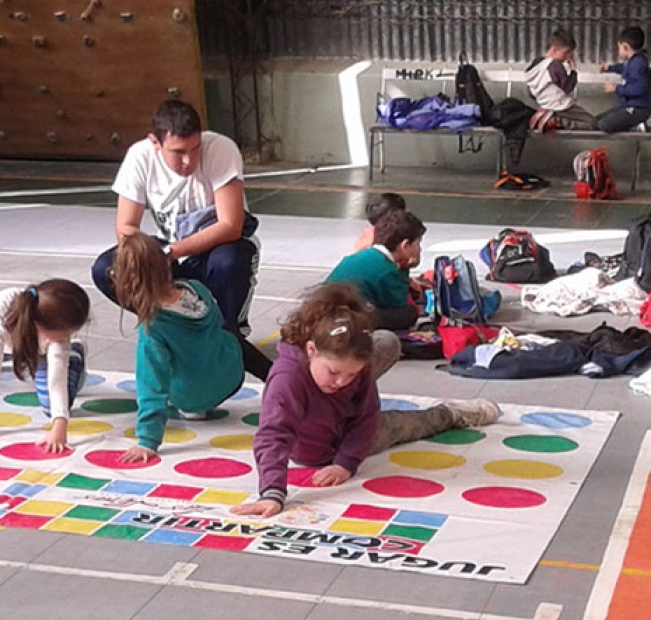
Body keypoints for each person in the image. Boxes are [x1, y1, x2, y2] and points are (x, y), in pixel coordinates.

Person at [230, 284, 501, 518]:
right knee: (400, 423)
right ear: (310, 350)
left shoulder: (352, 371)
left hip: (349, 432)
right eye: (334, 372)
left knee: (389, 361)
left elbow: (367, 415)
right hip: (319, 447)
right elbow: (273, 435)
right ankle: (449, 414)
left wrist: (346, 461)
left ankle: (449, 414)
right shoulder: (287, 379)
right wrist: (272, 492)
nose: (341, 381)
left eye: (351, 374)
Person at [91, 99, 260, 335]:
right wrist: (149, 257)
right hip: (169, 247)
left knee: (228, 261)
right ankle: (169, 322)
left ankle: (228, 331)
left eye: (195, 148)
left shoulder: (221, 148)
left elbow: (230, 225)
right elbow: (126, 226)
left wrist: (172, 252)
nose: (188, 161)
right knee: (106, 268)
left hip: (216, 247)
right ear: (155, 143)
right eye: (178, 152)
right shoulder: (139, 156)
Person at [112, 232, 271, 464]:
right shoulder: (198, 290)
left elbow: (151, 387)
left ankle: (194, 407)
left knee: (152, 370)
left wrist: (147, 440)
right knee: (232, 337)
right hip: (230, 376)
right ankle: (280, 380)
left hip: (192, 398)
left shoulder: (153, 329)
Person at [0, 279, 90, 453]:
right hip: (11, 344)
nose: (66, 337)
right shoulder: (3, 307)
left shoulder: (56, 336)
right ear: (39, 326)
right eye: (66, 334)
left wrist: (59, 424)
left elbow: (57, 376)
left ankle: (75, 356)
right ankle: (26, 357)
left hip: (39, 351)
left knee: (50, 408)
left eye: (70, 334)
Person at [327, 209, 426, 331]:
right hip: (345, 323)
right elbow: (398, 305)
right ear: (405, 246)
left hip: (327, 315)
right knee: (408, 315)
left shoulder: (363, 256)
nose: (420, 249)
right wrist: (405, 269)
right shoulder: (388, 271)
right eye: (418, 244)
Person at [524, 28, 597, 130]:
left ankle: (551, 118)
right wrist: (572, 71)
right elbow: (567, 87)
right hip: (561, 106)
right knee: (593, 124)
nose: (568, 57)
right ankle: (559, 121)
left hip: (545, 106)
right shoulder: (555, 65)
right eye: (566, 53)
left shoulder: (536, 64)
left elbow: (530, 93)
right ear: (554, 50)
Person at [597, 26, 651, 132]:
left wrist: (616, 88)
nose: (619, 51)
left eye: (619, 47)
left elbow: (639, 89)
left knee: (604, 125)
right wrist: (609, 68)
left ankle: (639, 127)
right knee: (596, 122)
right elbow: (624, 68)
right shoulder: (635, 61)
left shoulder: (638, 64)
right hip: (628, 105)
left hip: (638, 109)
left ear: (626, 47)